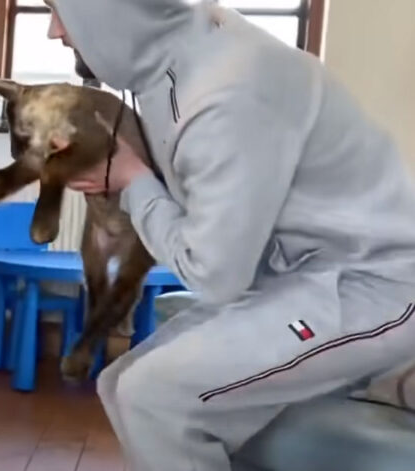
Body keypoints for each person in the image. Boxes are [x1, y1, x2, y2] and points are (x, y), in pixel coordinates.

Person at [43, 0, 415, 469]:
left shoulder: (228, 86)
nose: (55, 31)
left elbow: (215, 275)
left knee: (152, 396)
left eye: (59, 10)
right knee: (119, 381)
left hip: (378, 286)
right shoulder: (173, 63)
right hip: (302, 281)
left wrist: (132, 181)